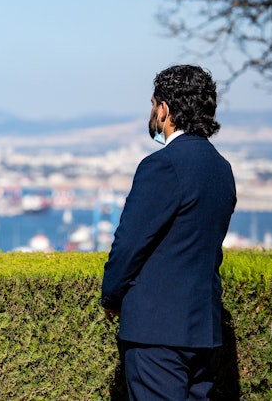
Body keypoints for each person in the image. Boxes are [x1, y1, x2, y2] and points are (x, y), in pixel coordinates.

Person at [101, 65, 237, 400]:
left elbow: (129, 243)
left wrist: (112, 296)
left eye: (153, 105)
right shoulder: (222, 169)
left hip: (157, 333)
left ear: (164, 109)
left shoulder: (161, 165)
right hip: (202, 331)